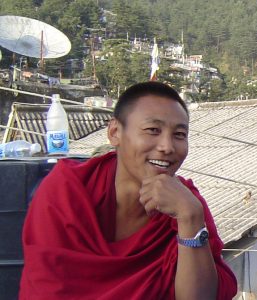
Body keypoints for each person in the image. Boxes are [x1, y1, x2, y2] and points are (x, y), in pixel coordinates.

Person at [20, 82, 237, 299]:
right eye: (153, 130)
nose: (167, 147)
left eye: (179, 135)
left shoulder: (187, 203)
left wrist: (190, 219)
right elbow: (46, 288)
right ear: (115, 132)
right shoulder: (66, 190)